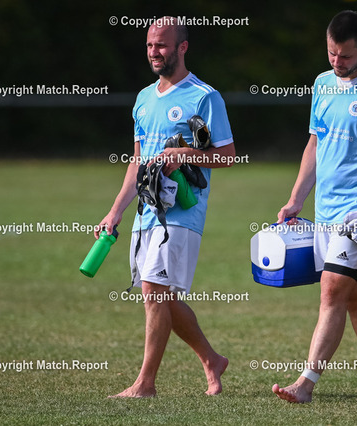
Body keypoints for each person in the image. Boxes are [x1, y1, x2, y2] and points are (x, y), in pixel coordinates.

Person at [272, 10, 357, 403]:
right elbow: (315, 144)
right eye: (331, 53)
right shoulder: (321, 84)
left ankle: (305, 384)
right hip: (326, 213)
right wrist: (296, 198)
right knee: (356, 300)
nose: (337, 61)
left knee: (332, 290)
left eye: (345, 55)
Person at [96, 17, 235, 398]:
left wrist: (184, 154)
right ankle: (211, 359)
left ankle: (145, 384)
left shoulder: (204, 96)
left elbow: (227, 156)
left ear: (182, 47)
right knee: (157, 294)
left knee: (154, 289)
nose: (154, 52)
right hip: (147, 210)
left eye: (161, 45)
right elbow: (137, 162)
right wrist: (115, 211)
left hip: (182, 211)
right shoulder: (143, 98)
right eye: (149, 45)